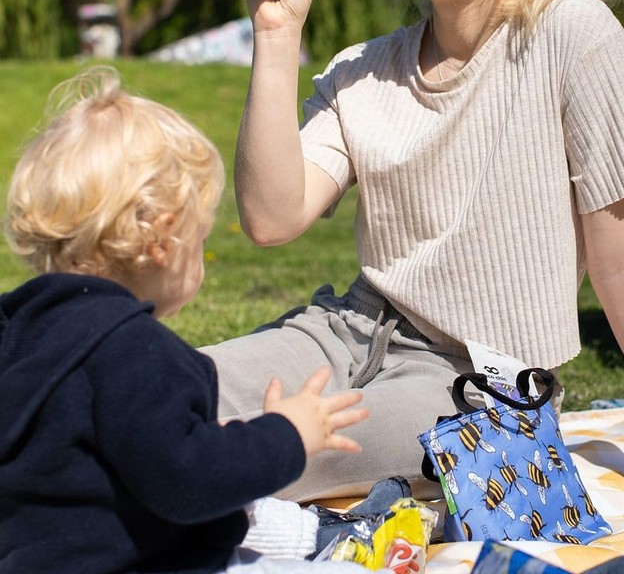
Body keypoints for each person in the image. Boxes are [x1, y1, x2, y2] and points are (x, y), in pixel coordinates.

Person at [202, 0, 624, 504]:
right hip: (345, 332)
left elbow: (623, 261)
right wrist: (276, 33)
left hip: (479, 382)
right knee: (159, 392)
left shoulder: (574, 36)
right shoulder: (363, 70)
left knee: (255, 454)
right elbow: (271, 219)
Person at [0, 67, 367, 574]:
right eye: (200, 241)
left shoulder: (20, 333)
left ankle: (310, 535)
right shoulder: (131, 351)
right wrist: (286, 434)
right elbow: (191, 479)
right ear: (162, 241)